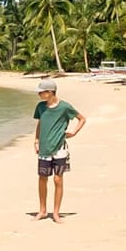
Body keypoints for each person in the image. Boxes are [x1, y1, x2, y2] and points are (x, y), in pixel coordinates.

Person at [33, 78, 86, 223]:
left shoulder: (64, 107)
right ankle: (42, 210)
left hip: (60, 148)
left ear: (50, 92)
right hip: (44, 148)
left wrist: (74, 132)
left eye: (41, 92)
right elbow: (40, 123)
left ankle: (56, 213)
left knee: (58, 179)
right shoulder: (40, 107)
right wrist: (36, 140)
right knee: (42, 179)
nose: (39, 95)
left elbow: (81, 118)